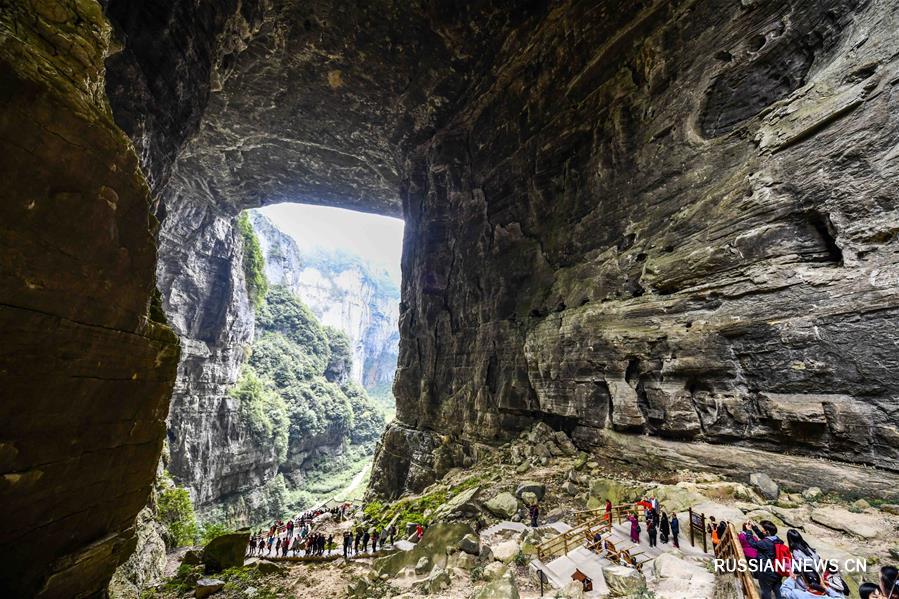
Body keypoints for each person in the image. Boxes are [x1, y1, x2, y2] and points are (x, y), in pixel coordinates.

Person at [747, 520, 788, 599]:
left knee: (766, 591)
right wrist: (754, 527)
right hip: (778, 570)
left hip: (766, 572)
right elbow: (763, 537)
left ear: (767, 532)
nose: (762, 530)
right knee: (777, 589)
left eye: (763, 529)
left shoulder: (764, 543)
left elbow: (752, 543)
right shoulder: (777, 540)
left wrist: (748, 531)